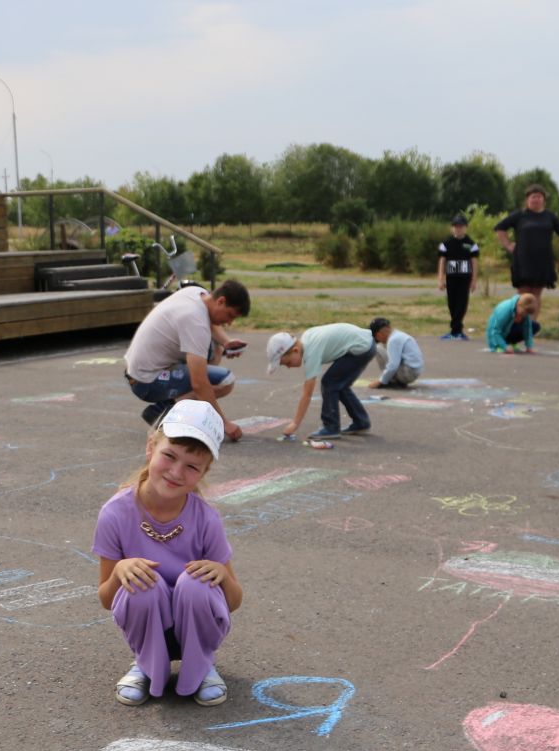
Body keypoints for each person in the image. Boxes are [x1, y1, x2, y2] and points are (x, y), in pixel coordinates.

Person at [95, 399, 240, 707]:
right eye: (169, 456)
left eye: (191, 466)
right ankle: (147, 666)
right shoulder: (115, 513)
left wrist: (222, 574)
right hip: (147, 622)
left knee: (196, 582)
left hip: (197, 622)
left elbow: (236, 599)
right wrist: (120, 570)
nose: (176, 472)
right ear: (151, 448)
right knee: (141, 586)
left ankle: (200, 666)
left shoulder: (206, 517)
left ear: (203, 472)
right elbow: (107, 598)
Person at [122, 280, 250, 434]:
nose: (229, 323)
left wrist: (226, 342)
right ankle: (164, 411)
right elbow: (200, 383)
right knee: (226, 381)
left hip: (136, 370)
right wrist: (223, 424)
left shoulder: (195, 293)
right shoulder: (195, 322)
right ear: (221, 301)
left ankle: (175, 406)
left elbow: (211, 323)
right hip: (147, 382)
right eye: (230, 315)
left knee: (214, 347)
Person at [267, 322, 376, 441]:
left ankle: (331, 427)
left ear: (296, 350)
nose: (288, 367)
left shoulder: (311, 352)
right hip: (366, 343)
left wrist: (295, 423)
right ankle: (361, 422)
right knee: (340, 385)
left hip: (361, 348)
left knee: (329, 383)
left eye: (287, 363)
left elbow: (307, 394)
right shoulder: (306, 338)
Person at [495, 185, 559, 307]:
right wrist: (508, 245)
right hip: (523, 260)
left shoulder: (549, 216)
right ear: (527, 199)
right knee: (523, 295)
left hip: (542, 260)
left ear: (543, 200)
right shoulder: (519, 215)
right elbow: (500, 228)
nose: (536, 199)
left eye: (539, 197)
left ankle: (532, 324)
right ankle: (521, 323)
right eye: (533, 197)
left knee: (536, 295)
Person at [436, 213, 479, 340]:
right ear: (452, 228)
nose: (458, 229)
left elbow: (474, 263)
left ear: (465, 228)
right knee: (452, 303)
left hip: (465, 278)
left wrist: (474, 280)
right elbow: (442, 262)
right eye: (456, 226)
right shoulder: (446, 244)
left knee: (462, 303)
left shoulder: (471, 244)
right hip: (451, 278)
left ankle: (456, 331)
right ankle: (455, 330)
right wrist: (440, 279)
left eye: (461, 226)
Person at [369, 317, 423, 388]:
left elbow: (393, 365)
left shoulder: (393, 340)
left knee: (378, 348)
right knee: (382, 348)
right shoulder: (398, 335)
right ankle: (391, 379)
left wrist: (381, 381)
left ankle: (389, 381)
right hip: (413, 371)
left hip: (408, 373)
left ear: (379, 335)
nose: (378, 340)